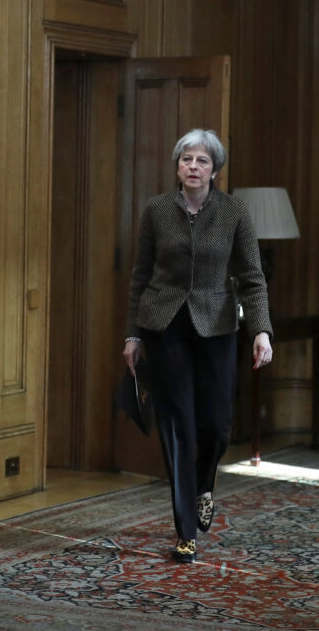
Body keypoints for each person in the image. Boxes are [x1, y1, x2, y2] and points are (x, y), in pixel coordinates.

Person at [122, 128, 273, 564]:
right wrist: (133, 335)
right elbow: (140, 275)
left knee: (217, 424)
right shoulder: (156, 210)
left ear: (215, 170)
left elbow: (252, 276)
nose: (193, 166)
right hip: (164, 326)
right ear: (177, 166)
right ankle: (185, 530)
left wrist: (260, 330)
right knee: (178, 426)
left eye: (202, 160)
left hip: (217, 327)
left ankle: (204, 485)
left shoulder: (234, 211)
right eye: (186, 159)